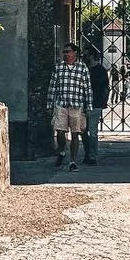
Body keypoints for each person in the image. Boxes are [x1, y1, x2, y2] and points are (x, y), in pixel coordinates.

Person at [46, 41, 92, 171]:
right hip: (61, 104)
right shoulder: (59, 68)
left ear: (75, 53)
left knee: (75, 134)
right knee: (60, 131)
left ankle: (73, 161)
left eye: (68, 52)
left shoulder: (82, 68)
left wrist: (88, 106)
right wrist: (49, 105)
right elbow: (52, 87)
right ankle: (62, 151)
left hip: (76, 105)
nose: (65, 54)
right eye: (64, 52)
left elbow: (87, 89)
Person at [84, 48, 109, 165]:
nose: (84, 57)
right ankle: (87, 153)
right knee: (83, 131)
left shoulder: (100, 71)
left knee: (92, 131)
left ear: (92, 56)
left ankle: (92, 156)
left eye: (86, 55)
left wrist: (103, 102)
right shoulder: (85, 69)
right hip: (84, 104)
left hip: (95, 103)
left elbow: (105, 88)